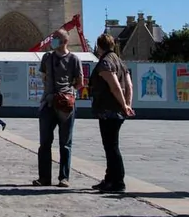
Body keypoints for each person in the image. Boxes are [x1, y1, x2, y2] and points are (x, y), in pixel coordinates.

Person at [33, 28, 84, 188]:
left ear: (65, 41)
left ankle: (64, 178)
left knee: (65, 143)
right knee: (45, 143)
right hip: (48, 104)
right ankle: (44, 178)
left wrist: (68, 93)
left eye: (56, 38)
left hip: (65, 105)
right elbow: (43, 77)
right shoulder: (47, 57)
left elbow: (80, 82)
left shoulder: (74, 59)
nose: (52, 40)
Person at [87, 33, 135, 193]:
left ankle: (118, 182)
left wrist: (123, 104)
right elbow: (129, 86)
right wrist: (128, 105)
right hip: (117, 110)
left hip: (108, 110)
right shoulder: (120, 61)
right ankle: (109, 179)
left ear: (99, 46)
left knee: (111, 147)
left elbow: (115, 86)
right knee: (110, 145)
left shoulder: (106, 63)